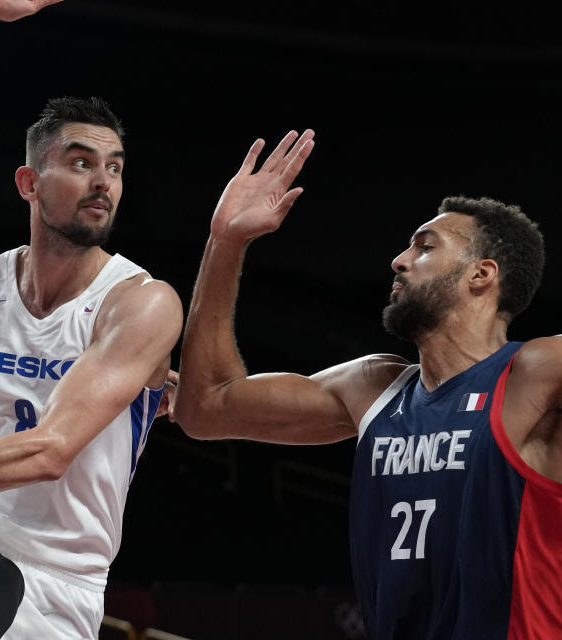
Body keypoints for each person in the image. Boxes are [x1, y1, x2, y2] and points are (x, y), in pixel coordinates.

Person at [172, 130, 562, 639]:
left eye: (425, 247)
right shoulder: (374, 388)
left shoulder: (535, 372)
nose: (399, 260)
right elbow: (204, 407)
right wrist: (226, 241)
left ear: (482, 275)